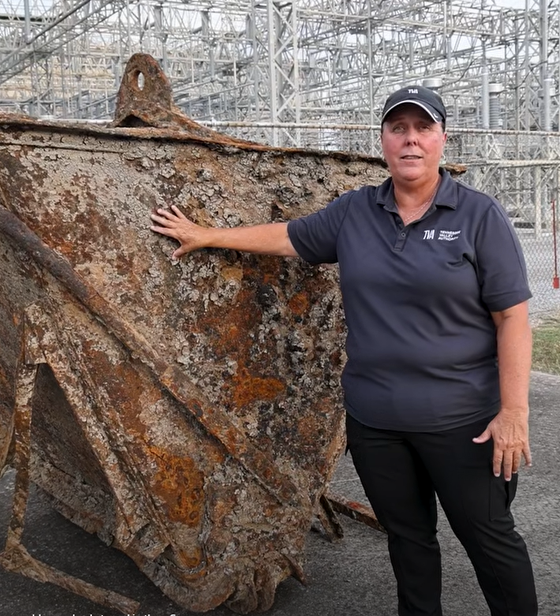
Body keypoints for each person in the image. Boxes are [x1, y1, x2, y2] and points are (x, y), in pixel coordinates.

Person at [150, 85, 537, 616]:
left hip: (463, 421)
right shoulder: (356, 211)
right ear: (382, 140)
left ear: (442, 138)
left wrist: (514, 411)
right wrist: (208, 235)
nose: (411, 140)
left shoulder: (477, 216)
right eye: (398, 129)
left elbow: (512, 317)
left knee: (490, 541)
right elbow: (288, 236)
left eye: (423, 129)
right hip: (377, 423)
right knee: (408, 541)